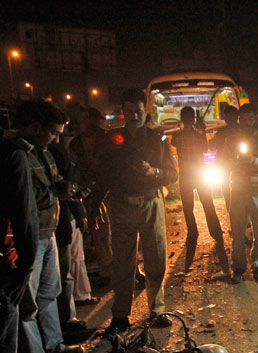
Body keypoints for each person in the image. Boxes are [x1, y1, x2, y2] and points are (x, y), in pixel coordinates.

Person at [9, 100, 84, 353]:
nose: (56, 139)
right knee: (27, 305)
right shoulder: (16, 154)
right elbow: (23, 199)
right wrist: (55, 191)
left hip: (48, 231)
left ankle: (53, 346)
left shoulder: (41, 151)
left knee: (48, 294)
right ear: (34, 127)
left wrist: (63, 188)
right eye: (53, 132)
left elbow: (52, 183)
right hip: (30, 236)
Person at [95, 88, 178, 335]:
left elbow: (173, 174)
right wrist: (96, 202)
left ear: (146, 111)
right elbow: (102, 174)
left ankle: (157, 310)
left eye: (138, 111)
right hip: (121, 206)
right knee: (122, 262)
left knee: (156, 257)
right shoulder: (111, 141)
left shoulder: (158, 140)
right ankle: (120, 315)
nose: (134, 116)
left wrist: (153, 173)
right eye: (129, 111)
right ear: (123, 112)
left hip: (151, 202)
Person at [0, 128, 49, 353]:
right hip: (5, 264)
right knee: (2, 350)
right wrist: (27, 267)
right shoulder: (11, 156)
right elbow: (25, 214)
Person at [222, 104, 258, 284]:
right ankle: (238, 268)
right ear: (239, 120)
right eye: (243, 118)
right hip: (238, 191)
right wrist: (237, 162)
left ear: (255, 119)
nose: (247, 122)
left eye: (250, 118)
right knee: (237, 231)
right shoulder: (231, 140)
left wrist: (252, 160)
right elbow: (223, 163)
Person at [171, 106, 225, 267]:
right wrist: (201, 130)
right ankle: (216, 233)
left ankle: (192, 233)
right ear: (193, 119)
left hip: (186, 177)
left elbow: (174, 144)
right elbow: (205, 149)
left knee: (188, 208)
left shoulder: (177, 136)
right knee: (208, 205)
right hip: (200, 174)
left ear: (181, 119)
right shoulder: (198, 135)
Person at [49, 140, 90, 331]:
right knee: (59, 276)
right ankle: (63, 323)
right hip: (51, 226)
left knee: (63, 274)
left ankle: (64, 321)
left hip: (59, 223)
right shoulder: (43, 156)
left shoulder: (49, 153)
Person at [70, 108, 112, 289]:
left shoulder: (107, 139)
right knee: (99, 234)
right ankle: (107, 272)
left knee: (117, 234)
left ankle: (128, 271)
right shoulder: (75, 144)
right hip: (89, 194)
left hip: (108, 192)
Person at [211, 105, 240, 211]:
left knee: (227, 193)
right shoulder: (243, 130)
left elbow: (212, 146)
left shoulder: (221, 132)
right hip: (239, 165)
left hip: (225, 166)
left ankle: (234, 219)